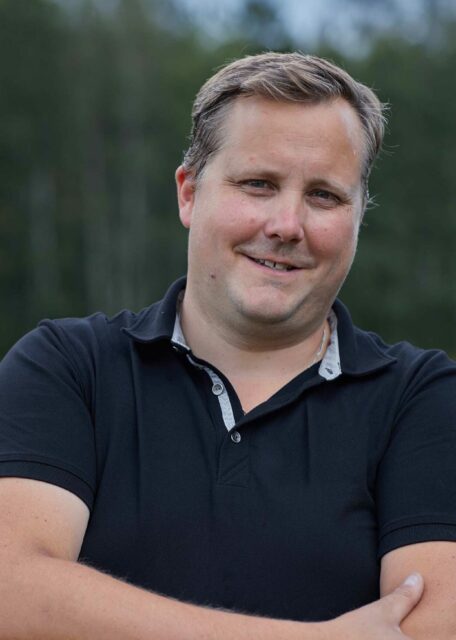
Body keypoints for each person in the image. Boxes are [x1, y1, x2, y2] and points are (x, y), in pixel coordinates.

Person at [0, 51, 455, 640]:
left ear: (358, 216)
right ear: (189, 193)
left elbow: (432, 628)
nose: (287, 225)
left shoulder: (421, 400)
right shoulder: (67, 367)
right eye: (258, 184)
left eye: (324, 196)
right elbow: (12, 591)